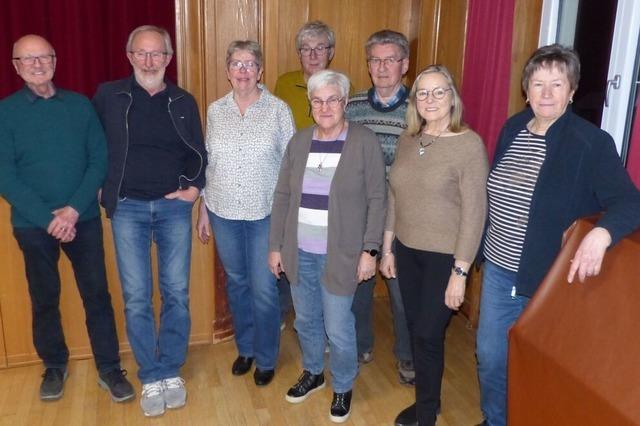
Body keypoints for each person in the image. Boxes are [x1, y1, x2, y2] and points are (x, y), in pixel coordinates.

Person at [476, 44, 640, 426]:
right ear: (526, 89)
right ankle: (495, 420)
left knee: (537, 364)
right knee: (490, 357)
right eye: (538, 84)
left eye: (556, 84)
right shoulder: (513, 127)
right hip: (500, 270)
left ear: (572, 90)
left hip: (550, 279)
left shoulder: (591, 143)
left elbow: (630, 203)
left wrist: (601, 235)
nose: (546, 94)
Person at [0, 35, 134, 403]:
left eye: (44, 57)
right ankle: (54, 366)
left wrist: (73, 210)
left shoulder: (79, 106)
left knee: (97, 296)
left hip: (84, 219)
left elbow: (99, 160)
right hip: (33, 225)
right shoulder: (5, 113)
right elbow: (5, 176)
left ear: (55, 61)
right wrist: (48, 219)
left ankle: (109, 367)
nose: (38, 64)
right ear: (16, 66)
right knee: (44, 298)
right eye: (28, 59)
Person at [92, 25, 206, 417]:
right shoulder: (109, 96)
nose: (149, 60)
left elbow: (198, 153)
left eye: (157, 54)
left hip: (174, 208)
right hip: (128, 209)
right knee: (137, 296)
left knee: (176, 292)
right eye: (141, 53)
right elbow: (91, 144)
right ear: (129, 57)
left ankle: (170, 368)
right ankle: (150, 374)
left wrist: (194, 188)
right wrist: (98, 185)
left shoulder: (183, 101)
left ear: (168, 58)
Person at [269, 70, 386, 423]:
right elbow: (283, 196)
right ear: (310, 104)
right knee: (305, 320)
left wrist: (370, 250)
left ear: (345, 102)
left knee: (338, 326)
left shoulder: (364, 141)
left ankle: (343, 385)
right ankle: (314, 372)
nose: (325, 106)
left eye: (333, 99)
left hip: (343, 254)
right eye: (318, 100)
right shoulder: (299, 142)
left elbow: (378, 198)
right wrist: (276, 245)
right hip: (299, 250)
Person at [379, 65, 488, 426]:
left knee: (427, 332)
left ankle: (426, 412)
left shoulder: (468, 144)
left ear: (452, 97)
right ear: (414, 101)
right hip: (407, 251)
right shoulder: (410, 138)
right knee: (416, 330)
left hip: (446, 256)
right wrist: (388, 246)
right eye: (423, 93)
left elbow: (475, 213)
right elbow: (396, 194)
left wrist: (460, 272)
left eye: (439, 92)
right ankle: (431, 400)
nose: (430, 99)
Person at [196, 40, 295, 387]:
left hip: (264, 214)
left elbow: (291, 168)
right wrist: (205, 209)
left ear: (260, 70)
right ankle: (247, 349)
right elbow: (209, 162)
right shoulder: (215, 110)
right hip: (223, 211)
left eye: (250, 64)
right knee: (237, 285)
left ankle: (267, 357)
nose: (243, 71)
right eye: (236, 64)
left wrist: (286, 222)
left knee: (264, 288)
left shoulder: (278, 110)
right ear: (227, 71)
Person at [345, 29, 414, 384]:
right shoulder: (352, 106)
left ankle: (407, 355)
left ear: (404, 64)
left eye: (390, 60)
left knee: (402, 292)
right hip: (363, 214)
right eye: (375, 60)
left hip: (405, 216)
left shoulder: (421, 107)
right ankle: (360, 345)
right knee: (359, 285)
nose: (382, 67)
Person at [274, 20, 337, 130]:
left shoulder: (342, 86)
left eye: (320, 48)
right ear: (299, 54)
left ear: (330, 53)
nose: (313, 56)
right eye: (306, 49)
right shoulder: (284, 84)